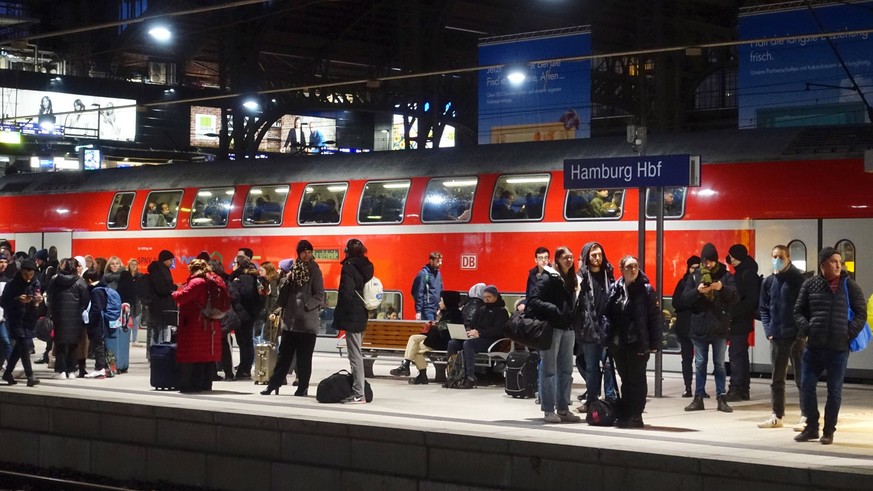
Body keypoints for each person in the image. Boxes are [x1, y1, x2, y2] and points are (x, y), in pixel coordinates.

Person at [793, 247, 866, 445]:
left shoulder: (849, 286)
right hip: (814, 347)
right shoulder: (810, 285)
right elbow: (798, 311)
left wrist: (848, 332)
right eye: (833, 261)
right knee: (806, 386)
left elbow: (861, 313)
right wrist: (807, 328)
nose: (838, 264)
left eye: (839, 261)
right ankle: (811, 427)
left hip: (838, 348)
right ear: (823, 264)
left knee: (834, 391)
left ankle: (828, 430)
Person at [528, 246, 582, 424]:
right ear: (557, 260)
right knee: (549, 370)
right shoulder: (549, 277)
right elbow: (533, 300)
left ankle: (563, 409)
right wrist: (554, 310)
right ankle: (549, 410)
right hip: (552, 329)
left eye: (571, 257)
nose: (568, 260)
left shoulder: (573, 278)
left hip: (568, 329)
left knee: (566, 370)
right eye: (565, 257)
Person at [604, 256, 661, 428]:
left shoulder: (646, 290)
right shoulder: (615, 289)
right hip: (620, 343)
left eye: (635, 266)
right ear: (621, 269)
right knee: (625, 379)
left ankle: (636, 414)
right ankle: (627, 412)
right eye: (629, 267)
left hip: (637, 342)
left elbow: (654, 317)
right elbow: (608, 314)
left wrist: (655, 343)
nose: (633, 270)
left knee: (637, 379)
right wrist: (606, 337)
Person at [262, 240, 324, 396]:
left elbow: (319, 295)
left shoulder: (315, 270)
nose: (307, 255)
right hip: (289, 322)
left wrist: (306, 306)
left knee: (304, 359)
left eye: (309, 252)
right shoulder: (292, 271)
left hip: (307, 323)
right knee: (283, 357)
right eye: (304, 252)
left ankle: (302, 387)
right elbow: (282, 296)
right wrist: (284, 281)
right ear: (299, 253)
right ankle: (273, 385)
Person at [682, 243, 736, 413]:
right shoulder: (694, 277)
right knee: (700, 363)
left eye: (711, 261)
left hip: (719, 327)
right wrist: (698, 291)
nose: (708, 265)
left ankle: (721, 397)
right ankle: (698, 397)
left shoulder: (725, 276)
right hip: (699, 328)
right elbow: (684, 300)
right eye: (706, 261)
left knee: (719, 364)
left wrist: (722, 288)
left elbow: (734, 296)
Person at [757, 245, 805, 429]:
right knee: (777, 380)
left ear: (788, 259)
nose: (777, 260)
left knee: (802, 379)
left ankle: (806, 416)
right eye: (774, 256)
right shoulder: (768, 282)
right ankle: (777, 415)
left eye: (781, 257)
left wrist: (802, 333)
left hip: (796, 337)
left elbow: (805, 308)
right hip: (777, 336)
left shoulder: (798, 280)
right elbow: (763, 308)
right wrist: (769, 330)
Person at [574, 241, 618, 412]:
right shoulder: (581, 277)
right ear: (587, 257)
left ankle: (610, 398)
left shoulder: (609, 274)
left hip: (607, 328)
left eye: (600, 254)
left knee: (608, 366)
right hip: (590, 329)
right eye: (594, 255)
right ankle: (592, 400)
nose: (597, 258)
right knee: (592, 367)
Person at [171, 259, 224, 392]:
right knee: (204, 357)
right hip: (209, 324)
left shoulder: (196, 282)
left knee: (192, 356)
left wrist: (174, 292)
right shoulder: (208, 280)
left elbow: (182, 297)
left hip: (195, 324)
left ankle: (191, 385)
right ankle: (206, 384)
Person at [332, 238, 374, 404]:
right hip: (362, 313)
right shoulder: (367, 266)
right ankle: (359, 390)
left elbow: (346, 292)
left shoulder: (349, 266)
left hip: (352, 315)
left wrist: (342, 314)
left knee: (354, 355)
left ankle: (358, 393)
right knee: (356, 353)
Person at [445, 286, 508, 389]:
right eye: (484, 297)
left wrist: (480, 333)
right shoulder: (481, 309)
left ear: (496, 297)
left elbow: (499, 330)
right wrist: (468, 331)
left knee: (468, 344)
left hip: (491, 340)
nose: (486, 299)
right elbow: (472, 324)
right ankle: (452, 375)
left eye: (489, 297)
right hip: (476, 338)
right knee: (453, 343)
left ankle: (470, 376)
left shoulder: (501, 311)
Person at [725, 244, 760, 402]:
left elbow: (750, 300)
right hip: (740, 320)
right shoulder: (742, 272)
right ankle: (742, 389)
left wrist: (734, 311)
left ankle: (736, 389)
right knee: (740, 355)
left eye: (732, 255)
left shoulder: (747, 274)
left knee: (736, 354)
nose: (730, 258)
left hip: (740, 320)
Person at [0, 260, 42, 386]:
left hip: (28, 319)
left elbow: (37, 300)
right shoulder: (12, 284)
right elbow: (2, 302)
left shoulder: (35, 282)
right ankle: (30, 376)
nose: (28, 278)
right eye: (25, 275)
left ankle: (7, 373)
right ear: (21, 272)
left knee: (19, 348)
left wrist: (38, 300)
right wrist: (18, 299)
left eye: (31, 275)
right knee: (24, 346)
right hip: (15, 319)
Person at [47, 258, 89, 379]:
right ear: (76, 268)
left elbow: (50, 297)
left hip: (59, 317)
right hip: (75, 318)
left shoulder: (55, 280)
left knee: (60, 344)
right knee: (73, 344)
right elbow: (86, 301)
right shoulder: (80, 282)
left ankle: (61, 371)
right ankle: (72, 370)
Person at [228, 250, 262, 380]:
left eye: (235, 262)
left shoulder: (244, 278)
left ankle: (245, 368)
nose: (233, 265)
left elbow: (246, 294)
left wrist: (235, 285)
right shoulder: (243, 276)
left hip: (245, 314)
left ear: (239, 264)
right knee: (243, 342)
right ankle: (244, 367)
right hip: (244, 313)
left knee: (245, 342)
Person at [671, 255, 700, 398]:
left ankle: (700, 389)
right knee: (687, 358)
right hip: (685, 327)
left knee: (700, 359)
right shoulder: (682, 283)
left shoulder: (704, 284)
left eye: (697, 267)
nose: (694, 270)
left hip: (699, 327)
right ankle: (687, 387)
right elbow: (676, 302)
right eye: (692, 267)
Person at [82, 270, 111, 379]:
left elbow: (97, 309)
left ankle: (100, 368)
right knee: (100, 345)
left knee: (98, 345)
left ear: (89, 280)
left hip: (97, 324)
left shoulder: (96, 291)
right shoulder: (103, 288)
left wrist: (90, 321)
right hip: (101, 322)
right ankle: (102, 368)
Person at [147, 250, 178, 347]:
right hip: (161, 307)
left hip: (159, 306)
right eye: (171, 260)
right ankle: (159, 354)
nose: (172, 263)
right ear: (165, 260)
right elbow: (162, 289)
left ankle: (156, 354)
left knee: (158, 331)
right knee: (161, 332)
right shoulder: (159, 271)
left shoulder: (160, 269)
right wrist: (174, 287)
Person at [117, 258, 143, 345]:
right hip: (127, 301)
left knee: (136, 320)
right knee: (126, 320)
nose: (134, 266)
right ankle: (126, 337)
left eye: (135, 264)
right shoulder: (125, 275)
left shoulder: (139, 276)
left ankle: (134, 340)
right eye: (132, 264)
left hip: (137, 301)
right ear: (129, 265)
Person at [0, 254, 14, 370]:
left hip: (3, 316)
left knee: (5, 340)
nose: (3, 264)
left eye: (5, 262)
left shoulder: (8, 279)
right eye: (1, 262)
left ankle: (11, 366)